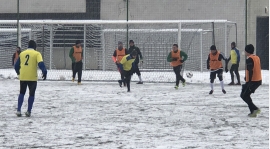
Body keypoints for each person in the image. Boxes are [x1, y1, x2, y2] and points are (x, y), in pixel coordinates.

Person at [14, 40, 47, 117]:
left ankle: (18, 110)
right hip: (32, 77)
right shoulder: (37, 53)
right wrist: (44, 72)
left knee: (22, 93)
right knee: (31, 94)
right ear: (35, 47)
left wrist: (19, 72)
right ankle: (28, 111)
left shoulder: (22, 54)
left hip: (23, 76)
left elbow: (16, 66)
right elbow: (40, 63)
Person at [240, 44, 262, 117]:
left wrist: (248, 82)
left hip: (253, 81)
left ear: (247, 51)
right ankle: (253, 111)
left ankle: (254, 109)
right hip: (258, 80)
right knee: (245, 94)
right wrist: (246, 77)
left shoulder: (249, 59)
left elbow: (250, 70)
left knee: (244, 95)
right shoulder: (256, 57)